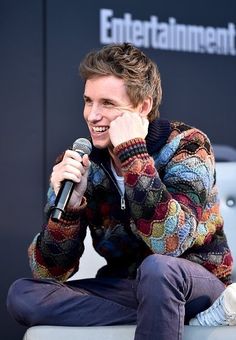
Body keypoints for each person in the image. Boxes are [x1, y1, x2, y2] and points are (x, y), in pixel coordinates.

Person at [6, 43, 235, 339]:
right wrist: (70, 210)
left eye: (108, 104)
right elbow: (49, 273)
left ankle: (182, 309)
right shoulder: (83, 162)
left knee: (158, 270)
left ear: (143, 107)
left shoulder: (187, 145)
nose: (92, 115)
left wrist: (133, 155)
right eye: (88, 101)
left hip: (193, 281)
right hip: (127, 288)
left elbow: (170, 244)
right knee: (23, 294)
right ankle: (178, 317)